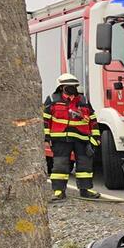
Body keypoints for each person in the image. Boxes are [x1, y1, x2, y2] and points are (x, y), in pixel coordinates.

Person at [43, 73, 102, 201]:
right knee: (60, 165)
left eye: (74, 86)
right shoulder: (52, 99)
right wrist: (46, 137)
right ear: (61, 87)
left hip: (82, 138)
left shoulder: (83, 101)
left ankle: (85, 190)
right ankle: (59, 191)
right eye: (68, 86)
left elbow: (93, 120)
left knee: (85, 165)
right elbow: (46, 120)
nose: (72, 88)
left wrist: (96, 137)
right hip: (60, 138)